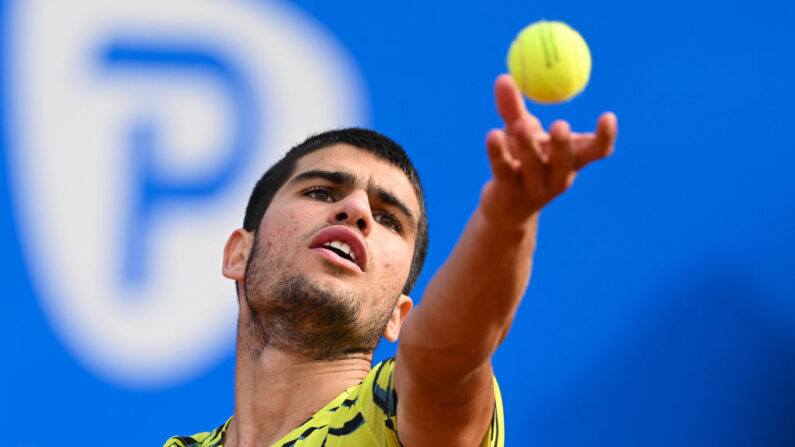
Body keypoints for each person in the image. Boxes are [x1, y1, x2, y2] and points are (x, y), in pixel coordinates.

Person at [164, 74, 617, 447]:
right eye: (320, 192)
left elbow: (445, 358)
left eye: (388, 219)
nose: (356, 210)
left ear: (399, 316)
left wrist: (508, 219)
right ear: (239, 253)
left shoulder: (395, 419)